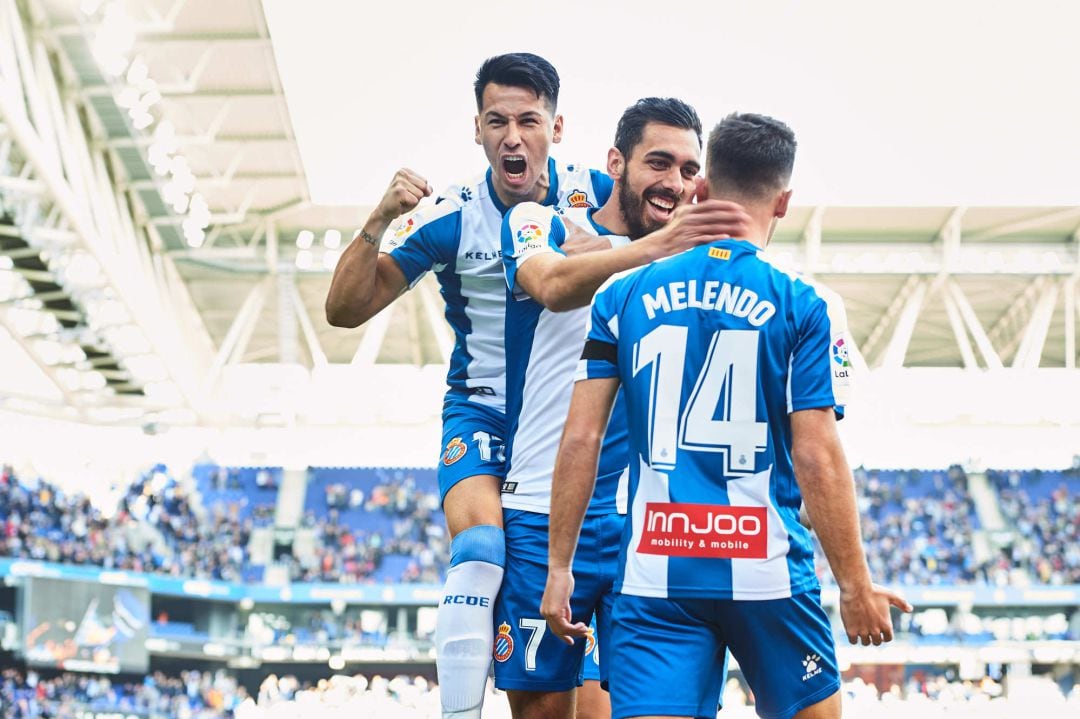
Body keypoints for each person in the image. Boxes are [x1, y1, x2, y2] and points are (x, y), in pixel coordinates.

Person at [540, 112, 914, 719]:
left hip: (655, 575)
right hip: (767, 571)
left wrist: (560, 568)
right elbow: (816, 453)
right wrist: (853, 584)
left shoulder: (620, 294)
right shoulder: (806, 302)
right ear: (784, 201)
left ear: (703, 189)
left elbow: (581, 436)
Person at [326, 53, 613, 719]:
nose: (513, 136)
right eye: (497, 121)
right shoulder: (450, 215)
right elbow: (344, 309)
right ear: (477, 131)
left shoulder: (596, 193)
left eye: (528, 120)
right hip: (482, 417)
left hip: (569, 428)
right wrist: (377, 221)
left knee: (592, 703)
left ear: (557, 127)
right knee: (482, 547)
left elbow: (666, 241)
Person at [497, 98, 749, 719]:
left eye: (691, 171)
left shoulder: (692, 264)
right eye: (659, 163)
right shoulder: (541, 221)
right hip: (542, 512)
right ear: (616, 162)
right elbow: (552, 285)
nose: (676, 184)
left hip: (650, 524)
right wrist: (649, 247)